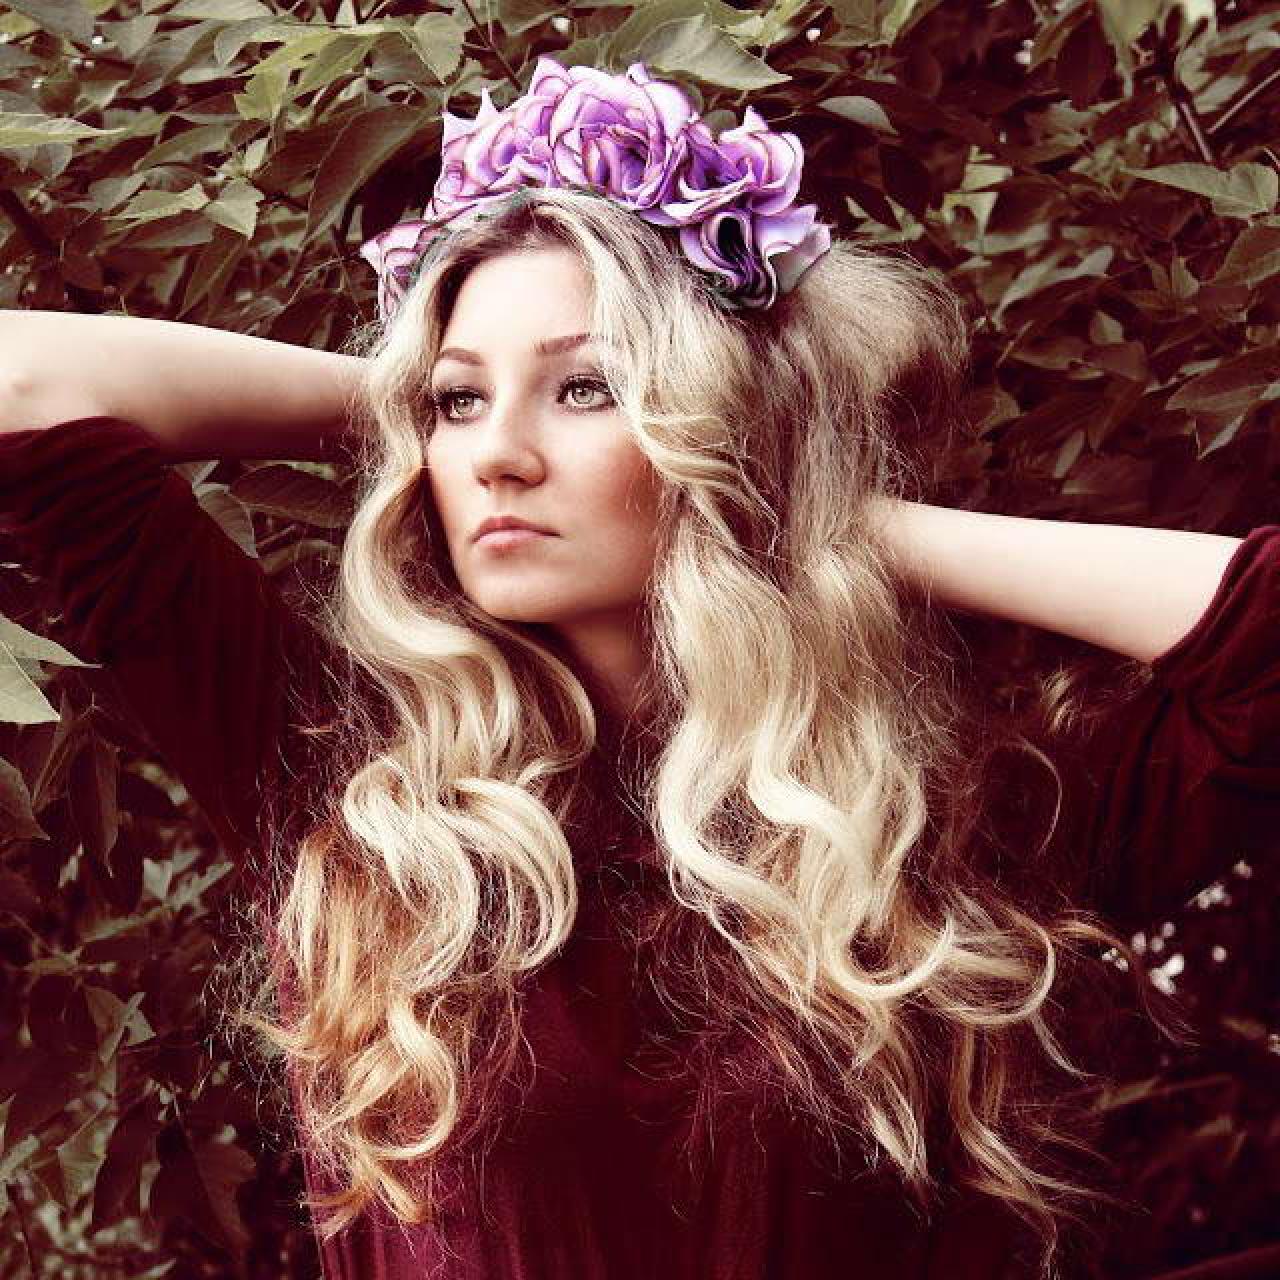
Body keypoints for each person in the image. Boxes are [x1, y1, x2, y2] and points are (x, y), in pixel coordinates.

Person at [1, 57, 1276, 1280]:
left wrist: (818, 509)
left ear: (708, 425)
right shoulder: (351, 790)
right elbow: (24, 382)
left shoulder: (925, 819)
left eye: (589, 389)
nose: (496, 456)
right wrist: (405, 400)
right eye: (457, 402)